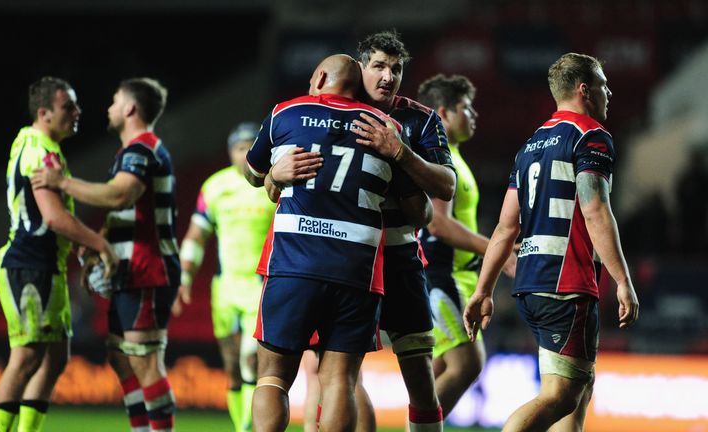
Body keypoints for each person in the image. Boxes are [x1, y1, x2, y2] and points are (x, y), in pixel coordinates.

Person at [271, 30, 455, 432]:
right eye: (379, 66)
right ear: (359, 67)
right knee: (334, 372)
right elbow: (276, 182)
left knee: (419, 375)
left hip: (398, 255)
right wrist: (273, 174)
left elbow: (446, 185)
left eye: (396, 69)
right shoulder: (323, 114)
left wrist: (401, 152)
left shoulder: (420, 120)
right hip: (343, 259)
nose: (388, 76)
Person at [463, 53, 640, 432]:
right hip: (565, 282)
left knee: (578, 387)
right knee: (562, 393)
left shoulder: (530, 146)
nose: (608, 91)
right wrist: (622, 279)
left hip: (531, 280)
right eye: (603, 84)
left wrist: (484, 290)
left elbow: (505, 228)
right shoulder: (591, 136)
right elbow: (595, 211)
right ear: (584, 90)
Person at [31, 78, 179, 432]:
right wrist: (98, 249)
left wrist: (62, 182)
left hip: (149, 268)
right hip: (132, 269)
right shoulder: (131, 152)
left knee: (144, 362)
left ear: (129, 109)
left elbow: (119, 197)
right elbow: (125, 214)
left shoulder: (142, 150)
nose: (108, 108)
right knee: (120, 357)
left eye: (114, 101)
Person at [0, 76, 118, 432]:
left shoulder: (32, 142)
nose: (77, 112)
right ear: (44, 113)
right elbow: (52, 216)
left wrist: (78, 246)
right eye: (69, 106)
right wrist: (100, 244)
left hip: (46, 264)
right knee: (28, 356)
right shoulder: (40, 151)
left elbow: (51, 216)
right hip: (28, 263)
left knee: (55, 357)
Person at [415, 74, 517, 417]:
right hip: (443, 275)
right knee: (468, 364)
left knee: (443, 369)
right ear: (443, 112)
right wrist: (495, 252)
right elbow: (438, 222)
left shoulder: (454, 158)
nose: (473, 115)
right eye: (466, 108)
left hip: (456, 276)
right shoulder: (439, 158)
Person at [172, 122, 276, 432]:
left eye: (250, 146)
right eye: (239, 147)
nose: (245, 153)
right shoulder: (214, 187)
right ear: (230, 151)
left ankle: (247, 427)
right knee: (232, 365)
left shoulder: (272, 184)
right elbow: (196, 236)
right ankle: (239, 423)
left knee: (250, 359)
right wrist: (185, 278)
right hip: (225, 287)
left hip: (260, 285)